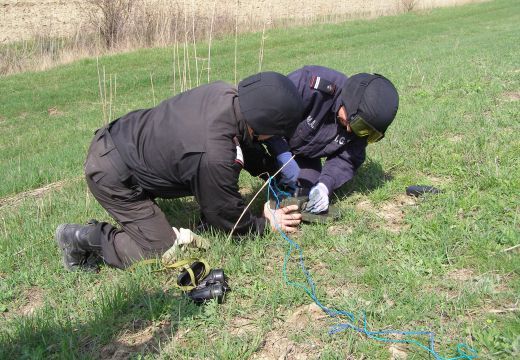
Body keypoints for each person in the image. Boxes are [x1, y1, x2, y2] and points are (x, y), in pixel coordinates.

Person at [55, 72, 304, 271]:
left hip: (127, 140)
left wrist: (274, 172)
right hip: (112, 173)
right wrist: (264, 224)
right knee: (159, 250)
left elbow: (245, 143)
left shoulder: (226, 95)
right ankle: (79, 238)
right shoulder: (214, 154)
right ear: (265, 125)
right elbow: (226, 215)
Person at [266, 65, 399, 213]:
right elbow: (267, 116)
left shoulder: (362, 125)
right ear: (350, 100)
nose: (350, 130)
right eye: (354, 122)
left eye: (361, 127)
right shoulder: (308, 85)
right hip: (269, 143)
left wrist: (324, 186)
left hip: (304, 155)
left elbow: (347, 159)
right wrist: (282, 155)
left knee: (304, 191)